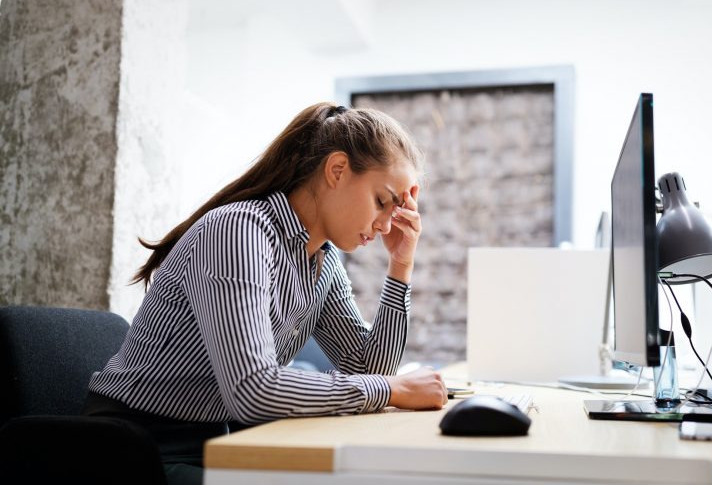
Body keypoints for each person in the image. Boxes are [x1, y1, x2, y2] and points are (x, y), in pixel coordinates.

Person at [82, 102, 447, 485]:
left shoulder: (322, 260)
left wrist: (400, 267)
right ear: (337, 170)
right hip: (133, 449)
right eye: (381, 201)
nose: (387, 223)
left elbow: (368, 368)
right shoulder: (239, 231)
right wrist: (391, 389)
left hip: (215, 441)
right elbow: (253, 388)